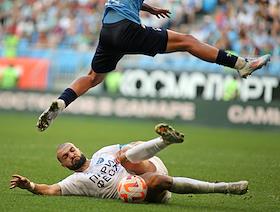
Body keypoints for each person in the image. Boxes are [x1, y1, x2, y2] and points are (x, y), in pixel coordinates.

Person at [36, 0, 271, 132]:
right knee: (188, 41)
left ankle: (62, 102)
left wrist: (150, 9)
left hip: (108, 30)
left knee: (92, 77)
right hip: (128, 28)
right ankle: (241, 64)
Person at [10, 123, 248, 203]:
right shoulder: (76, 180)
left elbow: (131, 145)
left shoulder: (103, 152)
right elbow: (50, 190)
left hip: (146, 163)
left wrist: (138, 147)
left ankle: (163, 141)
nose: (71, 155)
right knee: (159, 180)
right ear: (63, 165)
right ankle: (226, 187)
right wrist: (29, 185)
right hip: (143, 187)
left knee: (123, 154)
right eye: (66, 157)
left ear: (78, 148)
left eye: (71, 150)